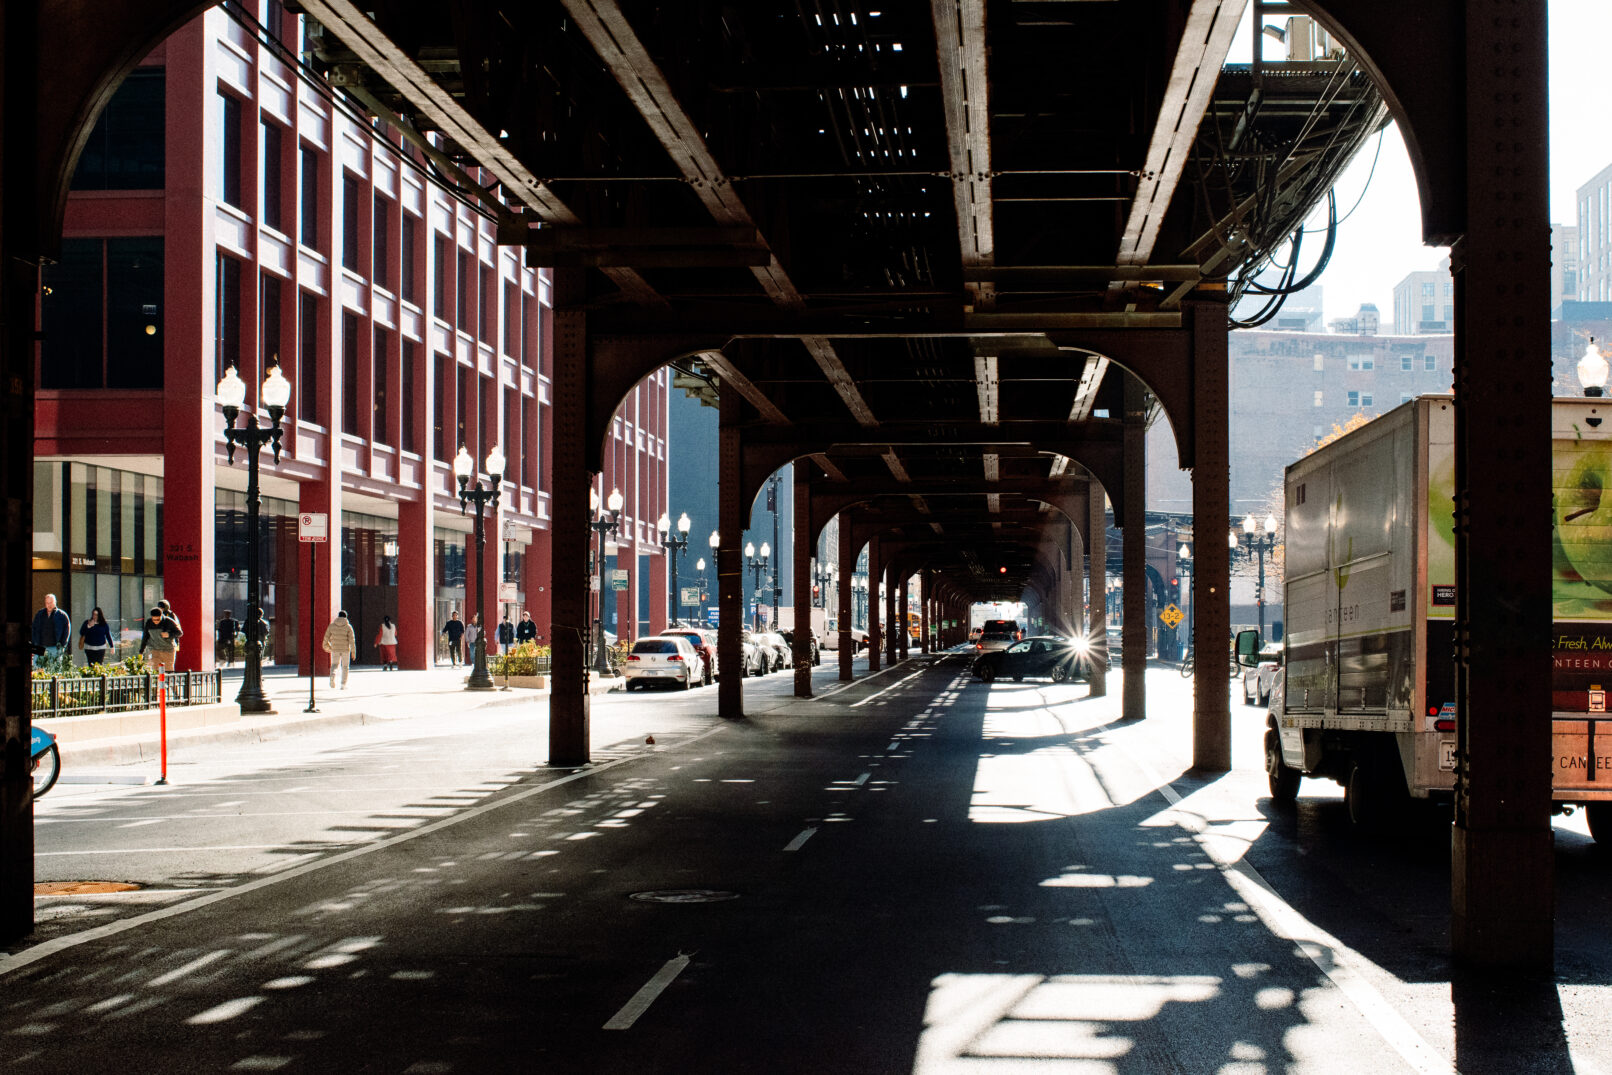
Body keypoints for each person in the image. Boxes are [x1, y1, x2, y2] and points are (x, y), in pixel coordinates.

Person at [31, 594, 72, 667]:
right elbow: (34, 629)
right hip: (40, 646)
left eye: (51, 603)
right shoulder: (40, 614)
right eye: (47, 603)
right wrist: (34, 644)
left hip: (55, 647)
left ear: (55, 602)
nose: (49, 605)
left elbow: (66, 631)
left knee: (55, 670)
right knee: (36, 669)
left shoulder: (62, 615)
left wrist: (62, 645)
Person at [138, 606, 181, 673]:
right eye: (154, 620)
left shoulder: (168, 621)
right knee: (156, 670)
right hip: (155, 650)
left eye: (158, 620)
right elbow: (145, 637)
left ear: (161, 616)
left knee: (168, 670)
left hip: (168, 650)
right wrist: (141, 651)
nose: (156, 622)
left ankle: (167, 683)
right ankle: (158, 683)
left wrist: (169, 634)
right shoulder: (149, 623)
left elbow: (179, 633)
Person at [323, 609, 357, 689]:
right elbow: (352, 640)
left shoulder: (331, 626)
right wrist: (353, 652)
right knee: (345, 666)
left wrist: (326, 646)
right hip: (345, 650)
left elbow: (326, 637)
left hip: (335, 649)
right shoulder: (348, 626)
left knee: (334, 665)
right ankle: (343, 684)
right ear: (346, 617)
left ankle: (332, 676)